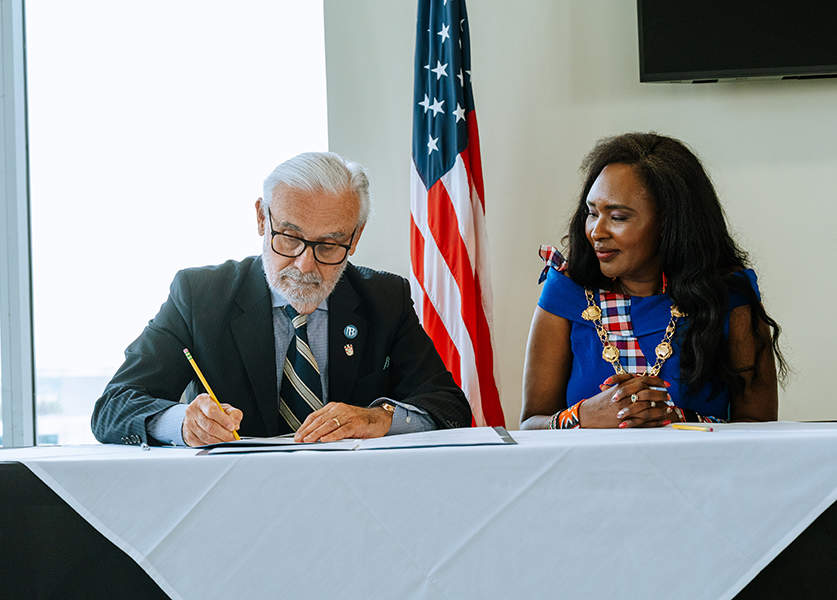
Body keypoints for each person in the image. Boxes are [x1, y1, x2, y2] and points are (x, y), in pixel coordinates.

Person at [92, 151, 471, 446]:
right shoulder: (199, 295)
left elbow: (450, 407)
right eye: (289, 237)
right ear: (262, 218)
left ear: (355, 239)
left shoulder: (384, 298)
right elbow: (114, 406)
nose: (305, 265)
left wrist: (380, 417)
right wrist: (183, 423)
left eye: (328, 244)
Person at [520, 132, 785, 430]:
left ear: (669, 224)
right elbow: (530, 424)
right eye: (592, 213)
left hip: (699, 475)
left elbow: (760, 430)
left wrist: (677, 419)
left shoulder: (729, 298)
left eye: (618, 217)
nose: (596, 231)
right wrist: (581, 416)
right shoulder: (566, 293)